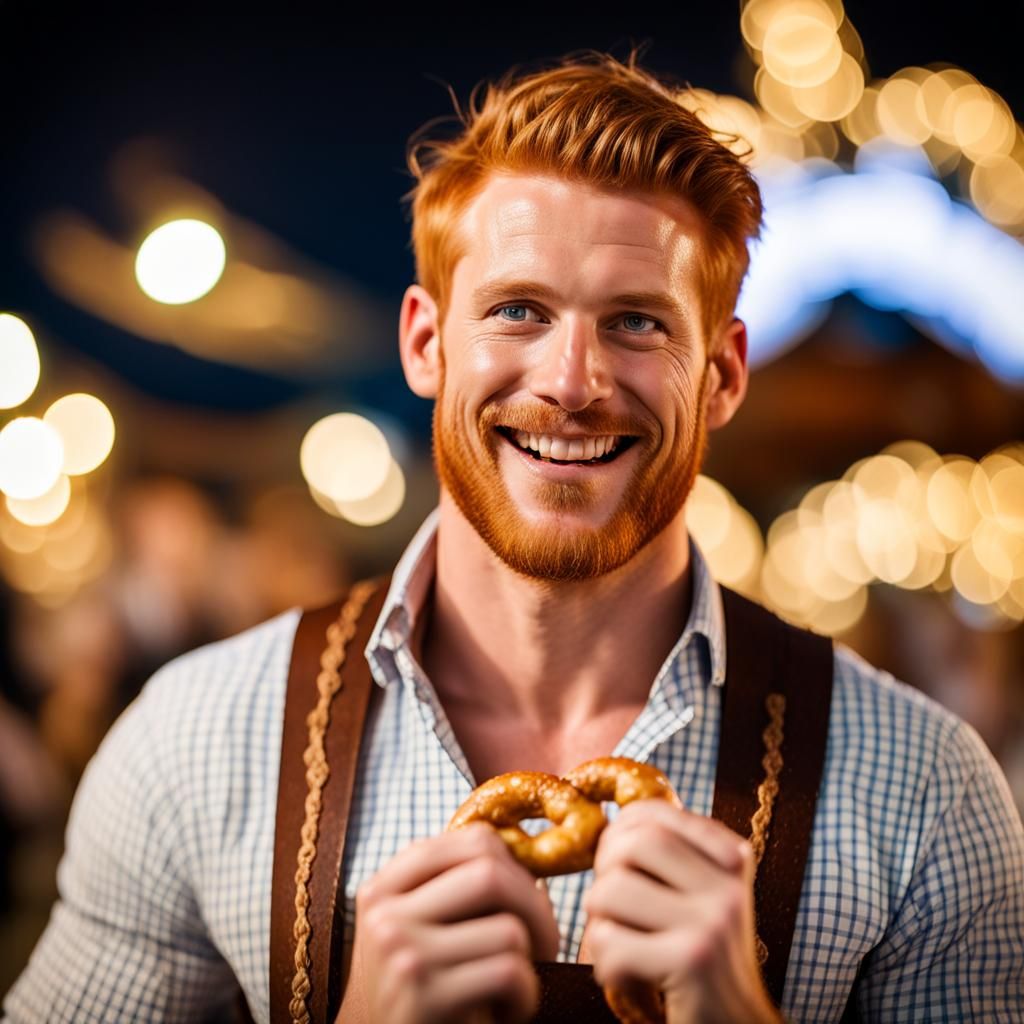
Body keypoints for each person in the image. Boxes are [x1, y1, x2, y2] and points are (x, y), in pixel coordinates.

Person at [5, 46, 1024, 1024]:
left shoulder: (925, 788)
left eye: (637, 322)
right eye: (519, 311)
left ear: (721, 375)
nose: (572, 383)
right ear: (425, 343)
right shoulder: (194, 740)